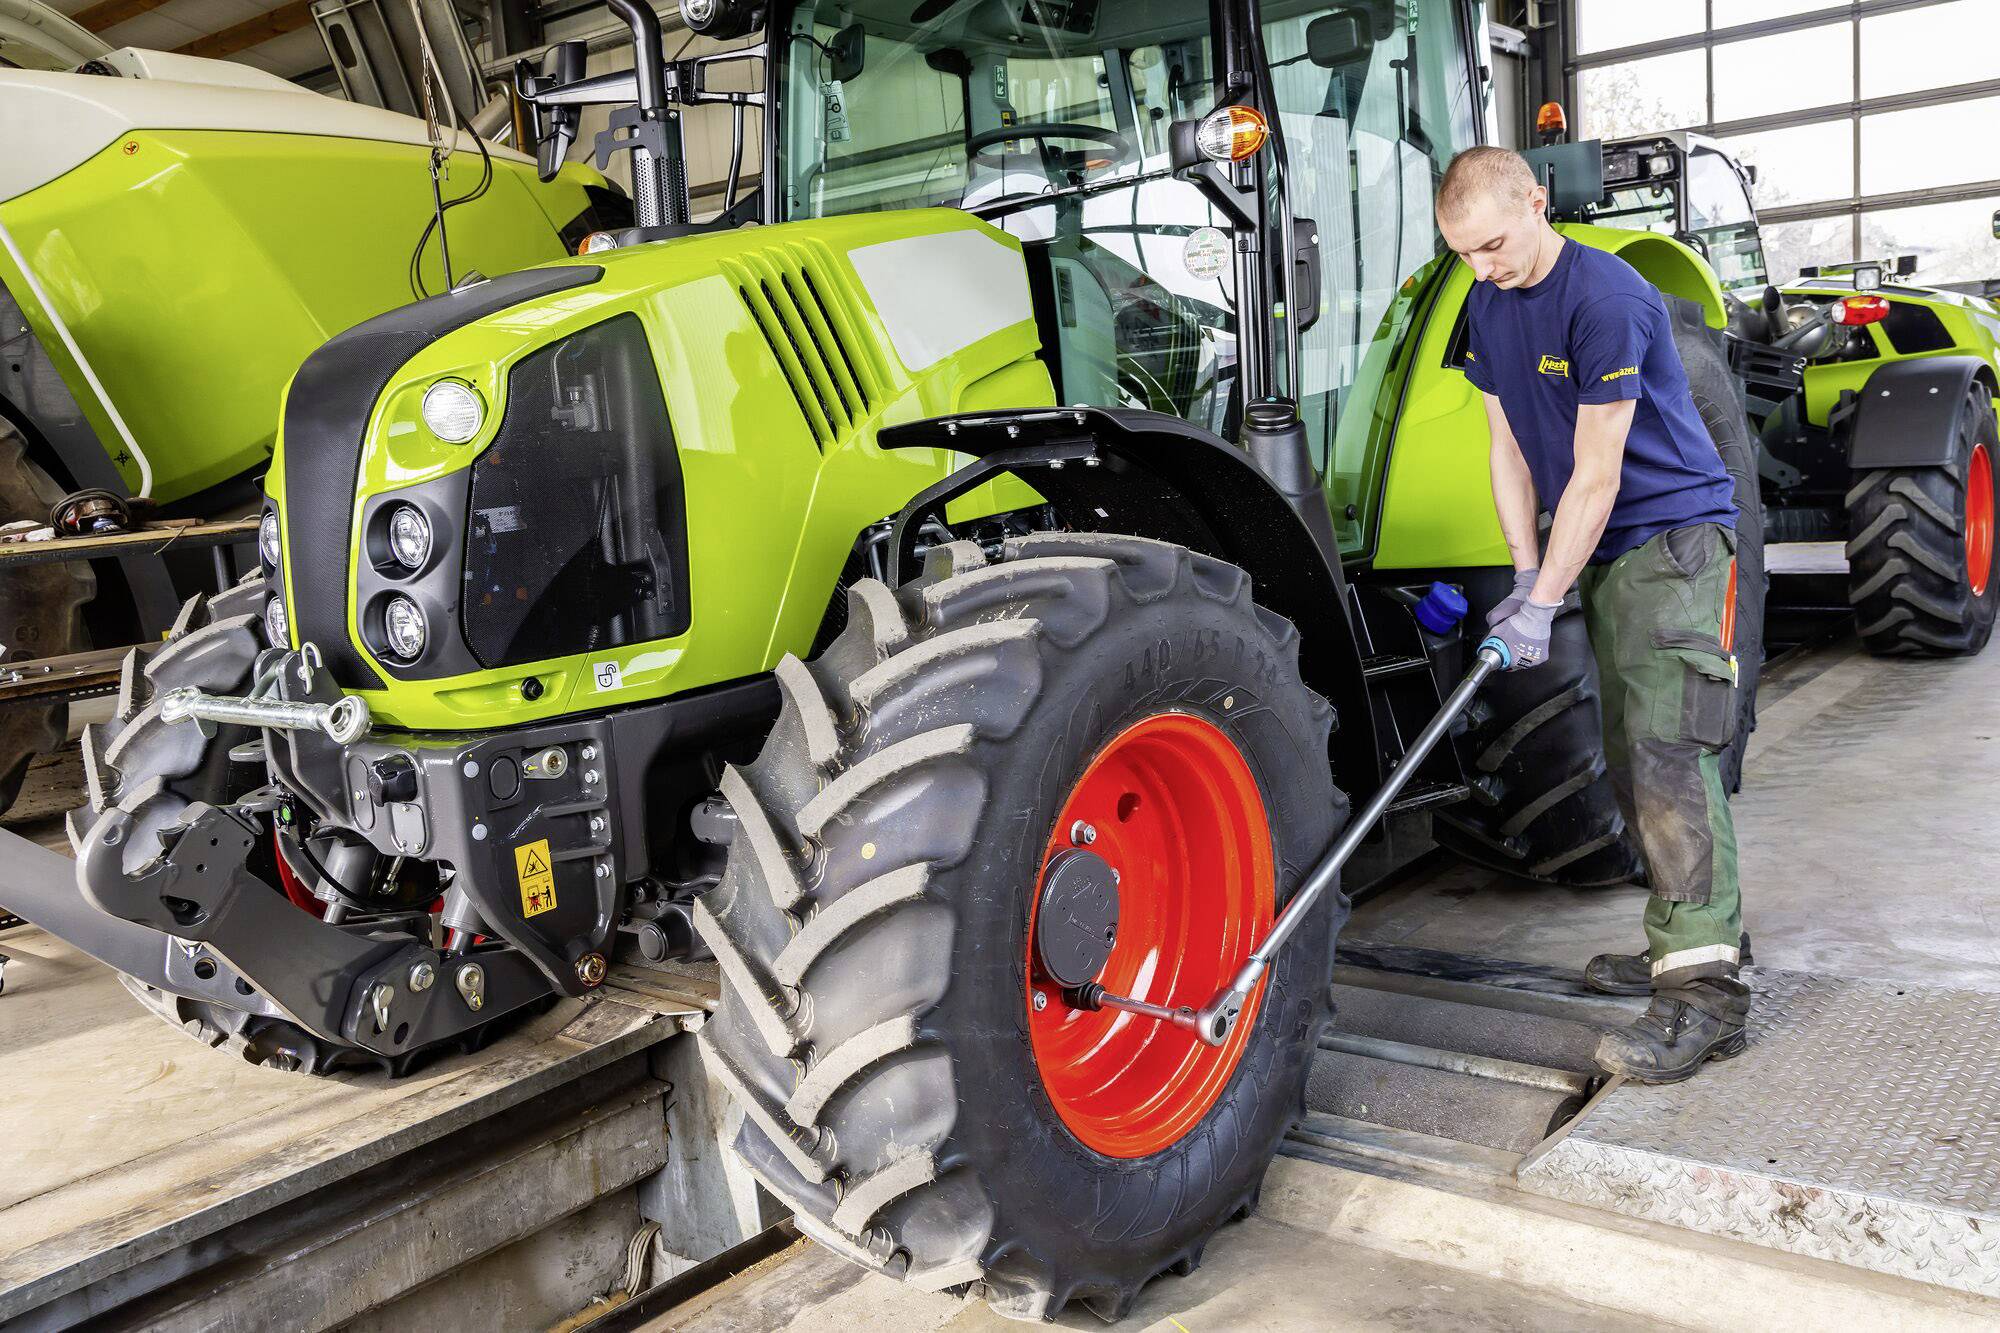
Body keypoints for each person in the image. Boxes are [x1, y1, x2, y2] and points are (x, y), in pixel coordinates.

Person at [1436, 145, 1750, 1083]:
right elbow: (1507, 449)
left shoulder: (1606, 298)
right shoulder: (1486, 302)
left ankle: (1707, 995)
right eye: (1463, 252)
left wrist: (1544, 603)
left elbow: (1598, 471)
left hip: (1673, 536)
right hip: (1603, 545)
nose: (1482, 267)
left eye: (1494, 244)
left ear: (1538, 202)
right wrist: (1527, 572)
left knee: (1667, 748)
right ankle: (1686, 938)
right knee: (1625, 750)